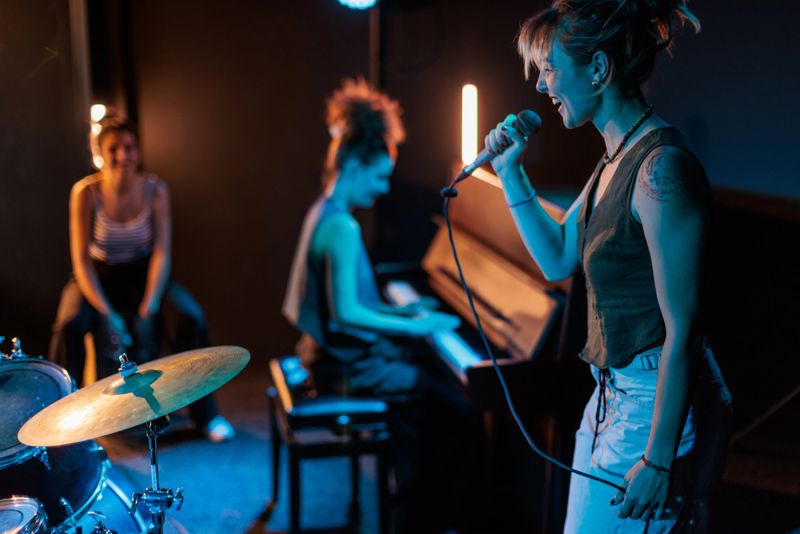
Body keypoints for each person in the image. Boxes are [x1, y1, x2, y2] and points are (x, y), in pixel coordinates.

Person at [483, 1, 732, 532]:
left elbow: (684, 330)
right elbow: (557, 257)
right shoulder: (614, 159)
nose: (542, 85)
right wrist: (510, 173)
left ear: (598, 69)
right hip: (608, 401)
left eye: (550, 69)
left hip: (647, 413)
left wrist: (659, 460)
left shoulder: (660, 169)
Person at [283, 78, 489, 533]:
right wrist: (418, 327)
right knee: (456, 412)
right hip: (343, 368)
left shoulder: (325, 210)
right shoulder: (343, 228)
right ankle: (421, 517)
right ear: (355, 165)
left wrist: (405, 312)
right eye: (379, 177)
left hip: (328, 355)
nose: (382, 189)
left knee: (431, 391)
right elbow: (347, 313)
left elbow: (348, 305)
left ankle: (414, 498)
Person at [49, 117, 234, 443]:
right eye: (114, 149)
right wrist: (107, 314)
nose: (123, 155)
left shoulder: (155, 189)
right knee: (69, 323)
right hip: (97, 276)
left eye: (129, 147)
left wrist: (149, 308)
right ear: (100, 153)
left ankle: (206, 416)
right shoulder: (85, 192)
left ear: (138, 151)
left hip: (143, 274)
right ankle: (62, 424)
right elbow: (81, 261)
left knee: (189, 316)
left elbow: (162, 253)